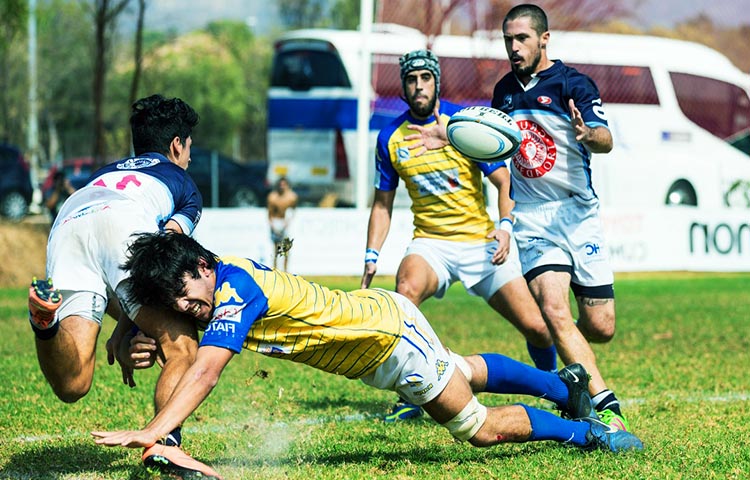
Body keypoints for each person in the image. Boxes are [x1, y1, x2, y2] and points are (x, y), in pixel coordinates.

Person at [91, 232, 643, 479]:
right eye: (177, 303)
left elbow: (206, 371)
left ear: (202, 267)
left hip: (388, 343)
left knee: (475, 426)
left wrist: (155, 430)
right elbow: (184, 344)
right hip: (376, 326)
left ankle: (588, 434)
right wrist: (139, 337)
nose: (187, 307)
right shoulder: (217, 280)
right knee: (464, 370)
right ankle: (565, 390)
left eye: (187, 294)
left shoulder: (234, 292)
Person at [361, 49, 556, 422]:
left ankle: (552, 383)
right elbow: (382, 204)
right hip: (431, 243)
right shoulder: (390, 137)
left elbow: (504, 182)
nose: (419, 86)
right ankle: (412, 393)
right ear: (403, 87)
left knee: (537, 328)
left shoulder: (464, 125)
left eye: (425, 78)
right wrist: (372, 256)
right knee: (406, 294)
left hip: (481, 243)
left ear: (436, 82)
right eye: (411, 79)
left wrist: (505, 227)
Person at [28, 94, 213, 475]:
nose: (190, 156)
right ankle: (165, 444)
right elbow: (160, 260)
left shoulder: (107, 170)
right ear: (177, 144)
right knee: (181, 345)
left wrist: (127, 328)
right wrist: (129, 331)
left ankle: (45, 323)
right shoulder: (183, 182)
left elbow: (126, 273)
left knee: (73, 382)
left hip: (70, 217)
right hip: (124, 222)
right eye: (189, 146)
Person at [491, 4, 627, 430]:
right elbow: (499, 154)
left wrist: (589, 134)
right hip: (533, 216)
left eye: (522, 39)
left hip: (577, 214)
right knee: (553, 309)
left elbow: (605, 138)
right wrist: (508, 220)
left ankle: (576, 366)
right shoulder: (503, 92)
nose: (514, 48)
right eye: (508, 40)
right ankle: (605, 405)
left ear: (544, 39)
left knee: (600, 326)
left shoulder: (573, 83)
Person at [266, 176, 298, 271]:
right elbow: (269, 213)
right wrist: (272, 225)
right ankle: (275, 270)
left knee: (286, 248)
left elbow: (293, 211)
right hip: (276, 222)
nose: (282, 187)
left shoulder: (292, 197)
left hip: (285, 223)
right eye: (281, 185)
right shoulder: (273, 197)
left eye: (284, 185)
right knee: (276, 249)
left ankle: (285, 271)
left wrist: (287, 222)